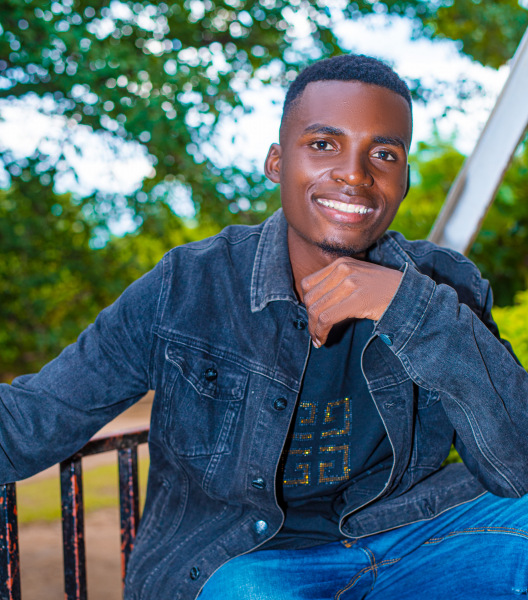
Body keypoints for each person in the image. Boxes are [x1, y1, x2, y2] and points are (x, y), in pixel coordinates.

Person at [2, 54, 528, 599]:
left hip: (406, 539)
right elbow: (30, 421)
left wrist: (407, 307)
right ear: (277, 162)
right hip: (250, 564)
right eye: (323, 144)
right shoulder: (188, 286)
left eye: (384, 153)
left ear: (405, 179)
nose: (355, 173)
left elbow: (518, 466)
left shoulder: (444, 284)